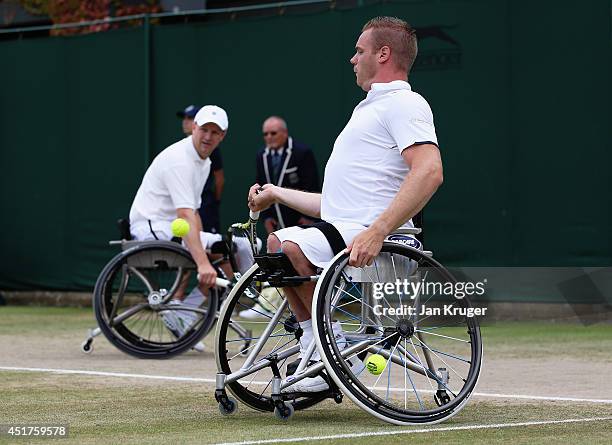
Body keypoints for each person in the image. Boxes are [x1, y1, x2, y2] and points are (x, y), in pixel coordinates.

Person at [248, 16, 443, 391]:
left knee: (286, 245)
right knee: (277, 247)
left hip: (382, 241)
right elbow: (333, 206)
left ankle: (328, 350)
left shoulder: (404, 103)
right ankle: (318, 343)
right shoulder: (369, 109)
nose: (353, 59)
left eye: (360, 51)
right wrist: (275, 192)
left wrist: (377, 231)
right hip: (348, 229)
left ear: (383, 54)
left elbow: (430, 171)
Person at [130, 105, 229, 352]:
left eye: (214, 132)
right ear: (193, 127)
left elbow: (193, 214)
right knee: (215, 251)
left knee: (229, 247)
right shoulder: (179, 160)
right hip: (149, 227)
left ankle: (181, 316)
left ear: (222, 136)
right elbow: (185, 214)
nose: (207, 136)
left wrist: (204, 246)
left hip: (171, 228)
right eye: (204, 129)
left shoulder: (203, 162)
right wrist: (203, 263)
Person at [238, 117, 321, 320]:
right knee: (276, 254)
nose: (269, 137)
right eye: (265, 134)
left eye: (273, 133)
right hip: (276, 216)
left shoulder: (302, 152)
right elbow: (261, 185)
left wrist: (306, 217)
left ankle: (312, 308)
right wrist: (266, 216)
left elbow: (312, 183)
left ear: (284, 133)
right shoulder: (262, 155)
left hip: (300, 216)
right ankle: (274, 303)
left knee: (298, 257)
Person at [177, 104, 225, 233]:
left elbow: (219, 179)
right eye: (184, 118)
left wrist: (215, 201)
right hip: (189, 204)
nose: (185, 122)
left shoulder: (210, 147)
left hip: (205, 203)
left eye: (189, 118)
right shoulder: (180, 150)